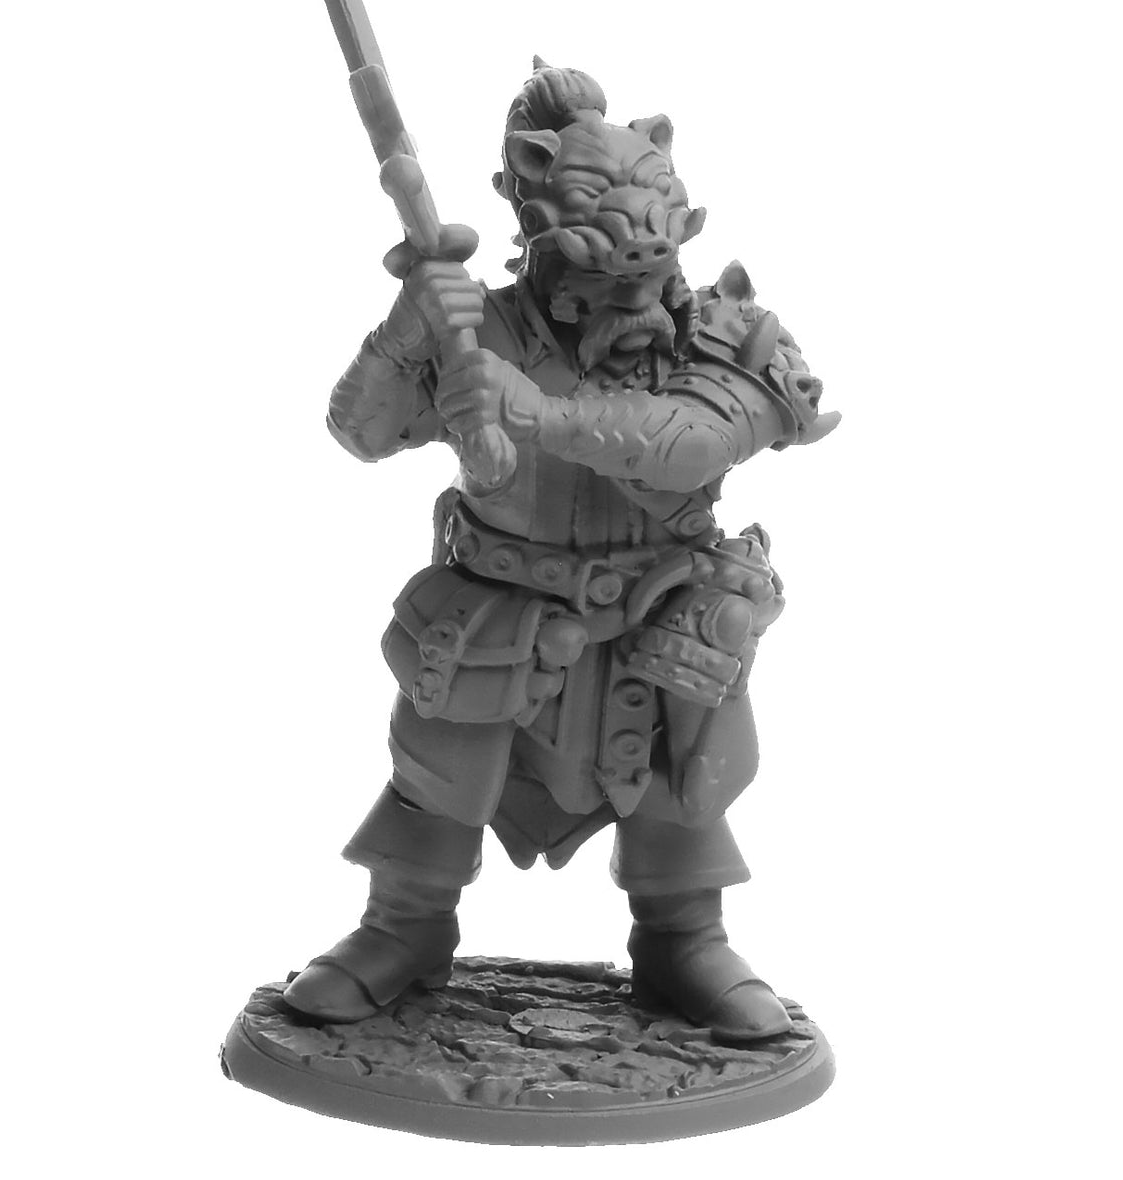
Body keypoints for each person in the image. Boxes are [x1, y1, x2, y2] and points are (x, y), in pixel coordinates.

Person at [284, 61, 837, 1042]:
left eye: (648, 269)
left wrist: (533, 411)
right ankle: (403, 927)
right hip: (505, 598)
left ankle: (685, 937)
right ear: (537, 238)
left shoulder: (729, 331)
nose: (632, 294)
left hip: (661, 597)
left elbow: (695, 442)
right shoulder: (482, 327)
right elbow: (360, 432)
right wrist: (408, 330)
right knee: (442, 758)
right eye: (600, 274)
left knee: (679, 760)